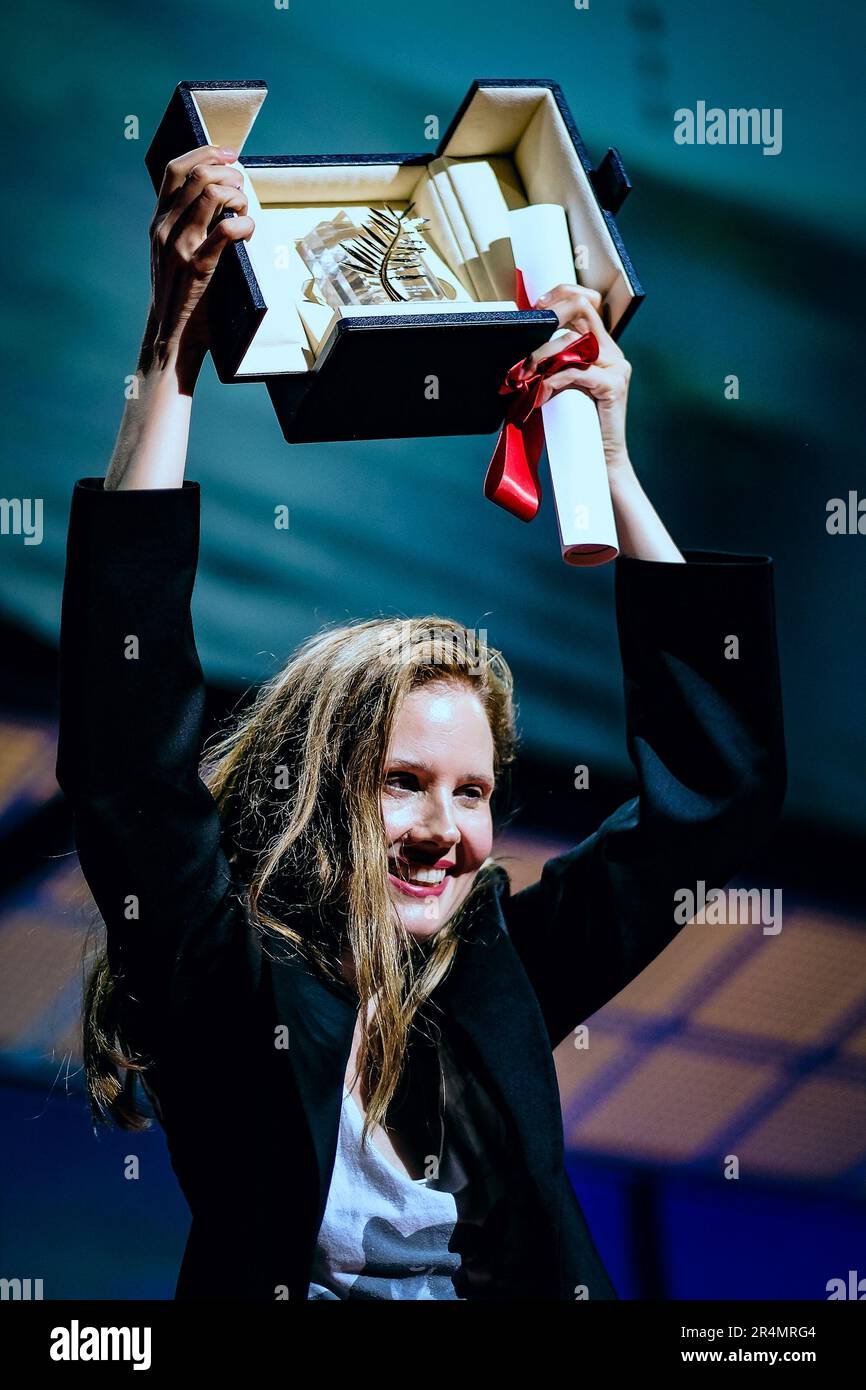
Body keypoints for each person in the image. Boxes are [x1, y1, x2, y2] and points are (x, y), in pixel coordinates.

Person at [56, 145, 786, 1301]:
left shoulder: (503, 973)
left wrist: (610, 459)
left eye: (474, 790)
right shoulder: (227, 981)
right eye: (403, 780)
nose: (447, 826)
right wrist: (170, 355)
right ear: (319, 791)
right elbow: (125, 764)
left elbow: (718, 795)